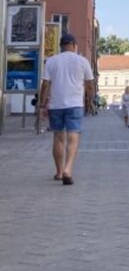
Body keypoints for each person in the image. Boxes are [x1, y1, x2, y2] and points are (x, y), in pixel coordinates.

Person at [38, 33, 95, 186]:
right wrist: (90, 101)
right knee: (73, 136)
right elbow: (89, 84)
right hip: (75, 104)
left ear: (61, 46)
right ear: (75, 45)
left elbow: (45, 85)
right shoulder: (82, 61)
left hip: (56, 105)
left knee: (58, 137)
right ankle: (68, 170)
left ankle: (58, 171)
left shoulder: (51, 61)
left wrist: (42, 104)